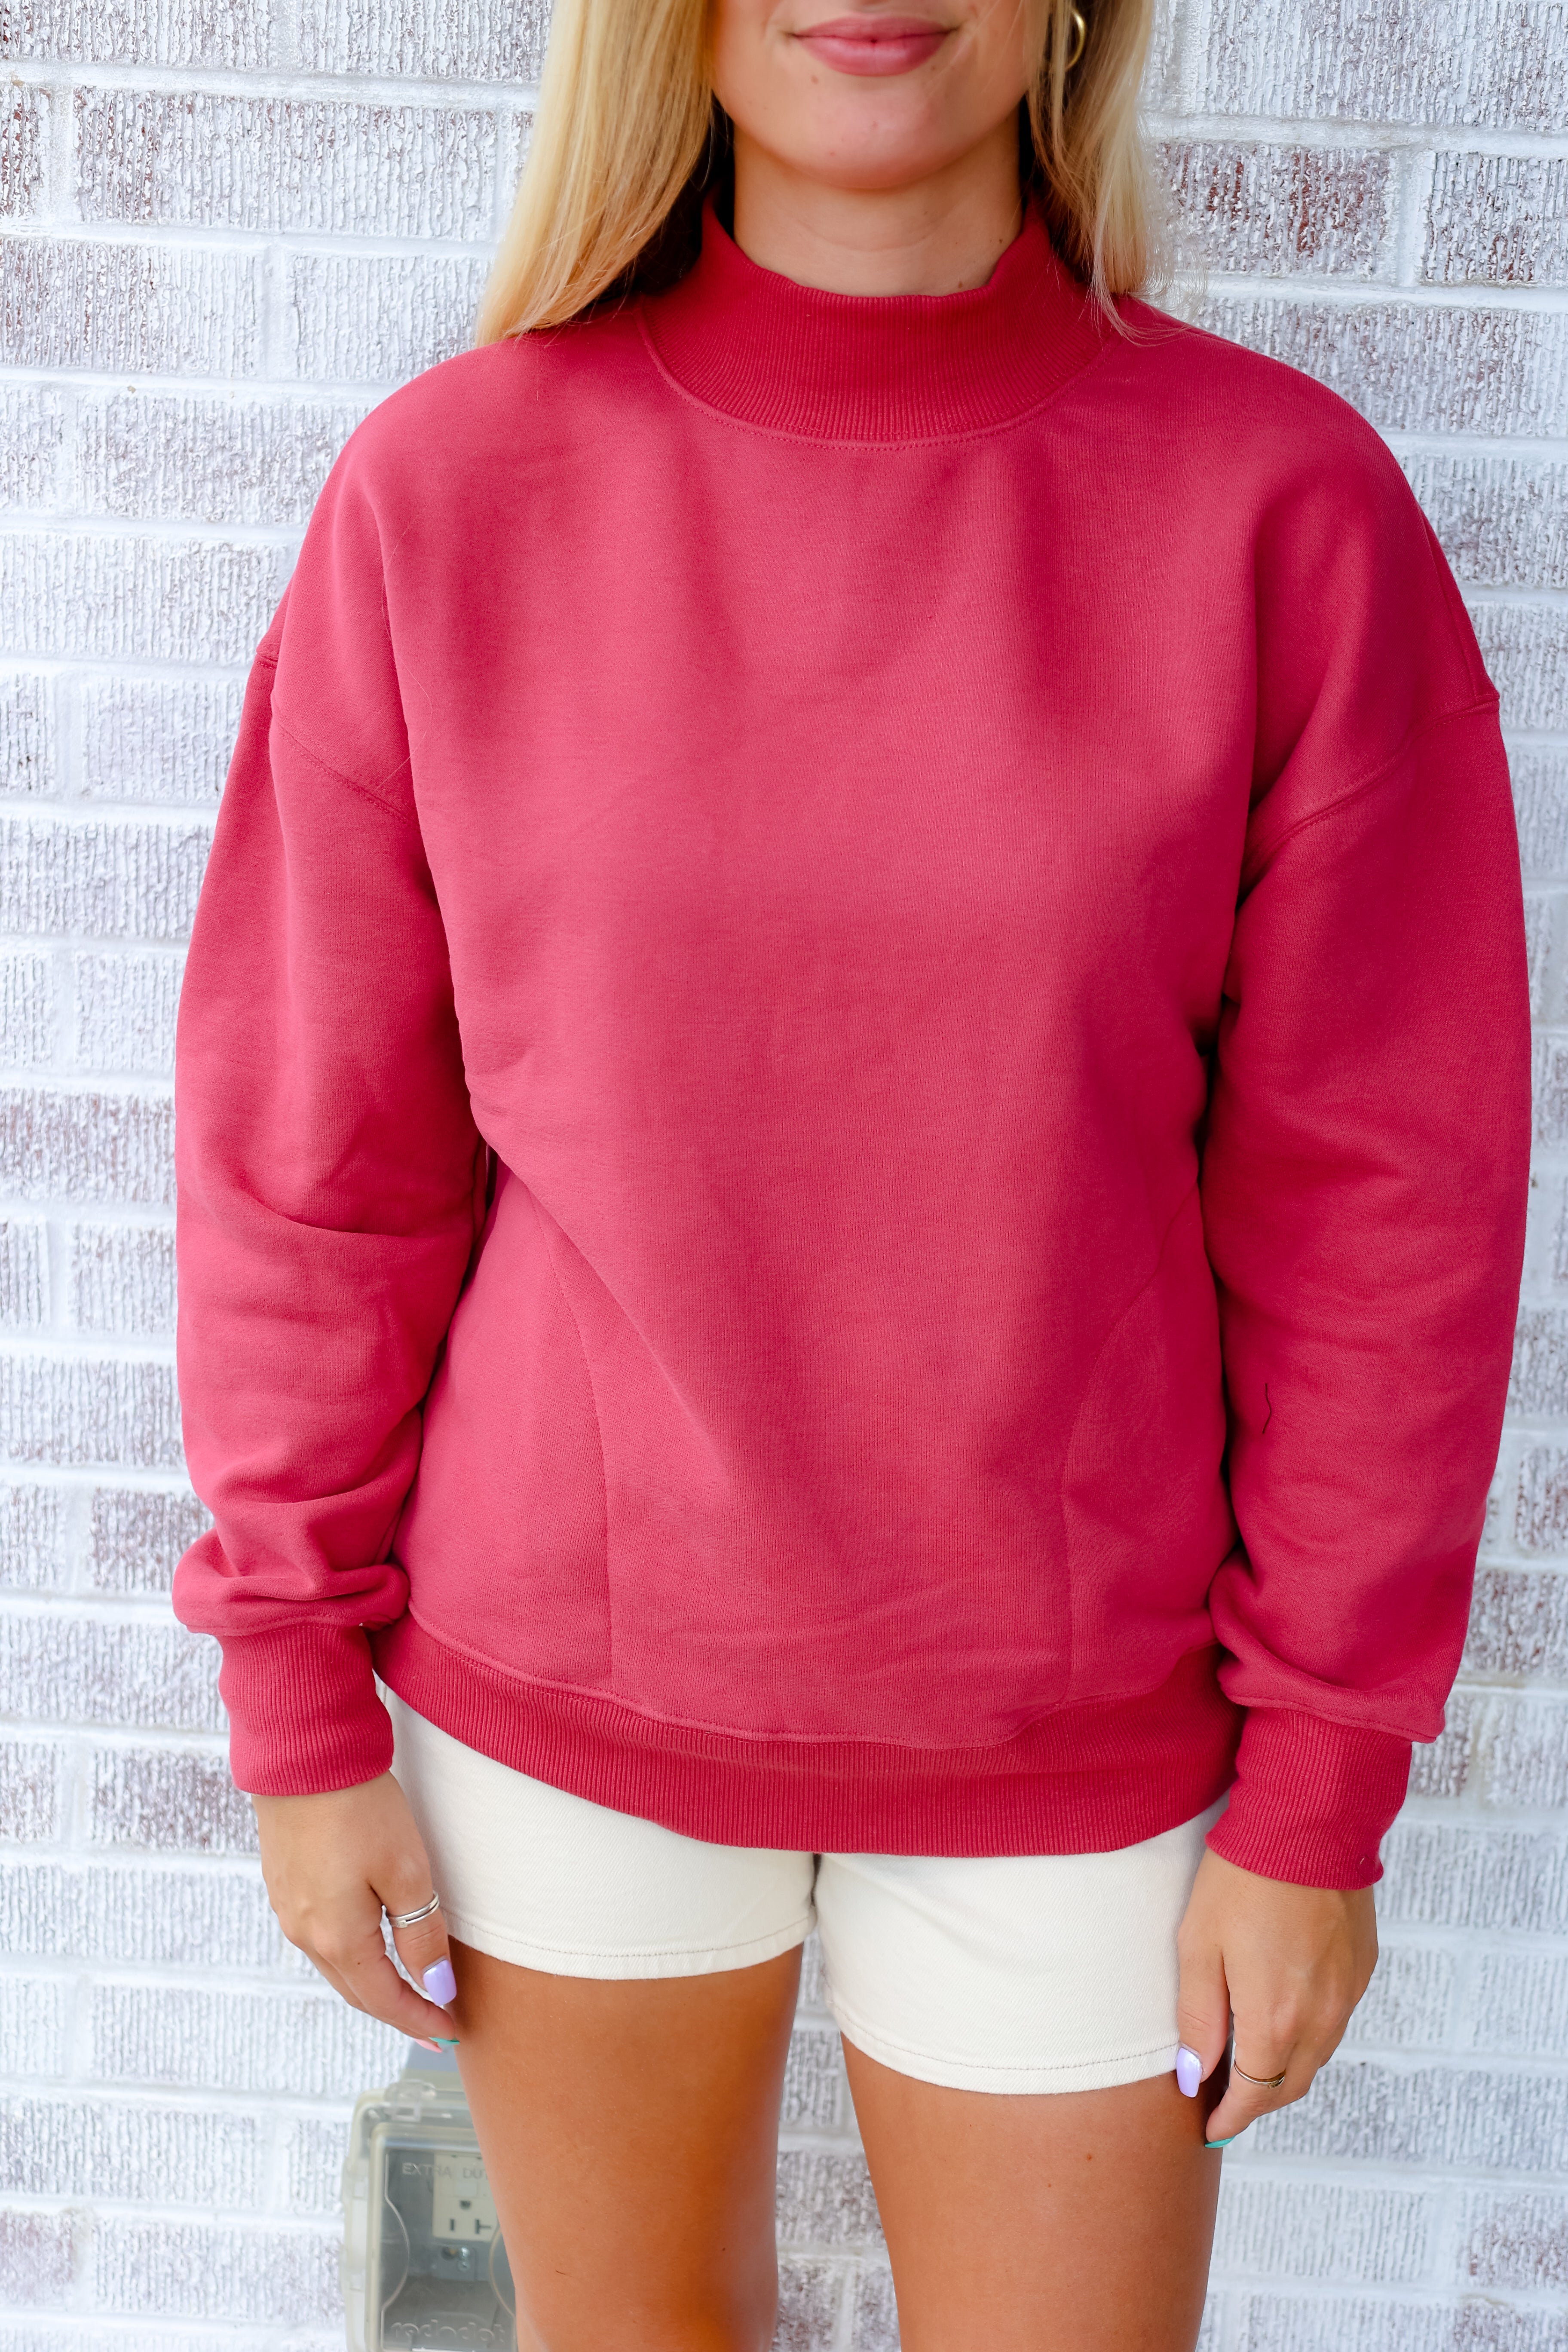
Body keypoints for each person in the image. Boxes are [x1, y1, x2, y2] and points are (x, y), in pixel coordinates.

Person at [170, 2, 1531, 2345]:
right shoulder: (449, 492)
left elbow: (1383, 1206)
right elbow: (318, 1151)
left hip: (1087, 1726)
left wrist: (1323, 1776)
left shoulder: (1280, 512)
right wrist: (294, 1689)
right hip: (562, 1698)